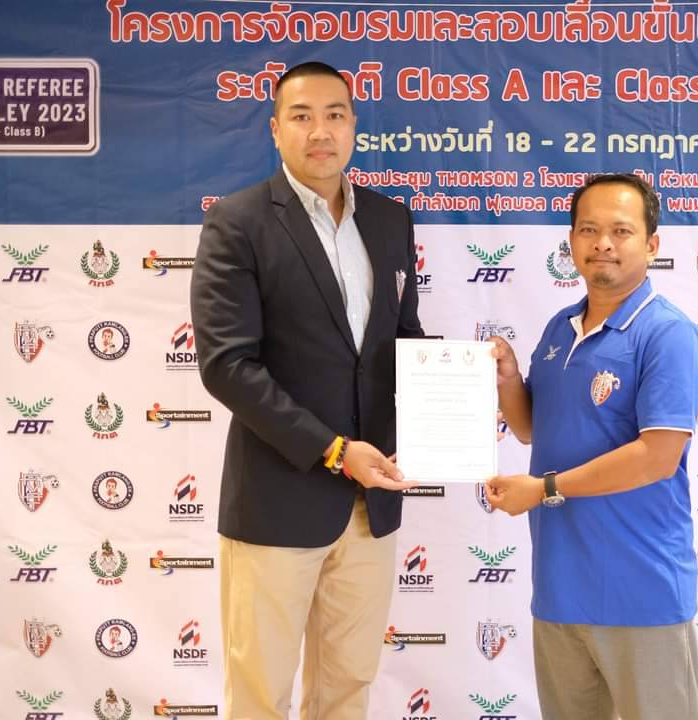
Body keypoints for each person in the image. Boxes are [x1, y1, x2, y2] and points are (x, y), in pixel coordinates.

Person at [190, 61, 423, 720]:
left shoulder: (390, 220)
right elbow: (228, 365)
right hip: (277, 500)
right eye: (302, 116)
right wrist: (333, 450)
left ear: (353, 125)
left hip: (370, 505)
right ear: (275, 129)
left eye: (334, 115)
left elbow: (401, 337)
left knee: (347, 690)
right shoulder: (238, 222)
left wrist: (462, 375)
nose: (321, 131)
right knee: (260, 695)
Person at [486, 173, 698, 720]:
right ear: (571, 242)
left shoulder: (667, 333)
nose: (602, 243)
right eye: (588, 230)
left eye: (621, 231)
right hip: (560, 587)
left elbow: (658, 457)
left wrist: (544, 489)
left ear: (651, 245)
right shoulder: (560, 327)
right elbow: (533, 428)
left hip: (641, 590)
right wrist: (508, 379)